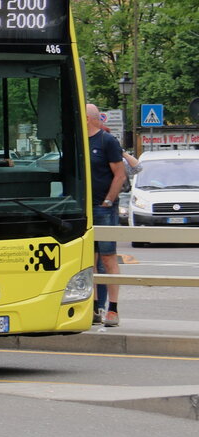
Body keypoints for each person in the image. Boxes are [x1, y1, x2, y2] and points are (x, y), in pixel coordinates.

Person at [87, 103, 126, 326]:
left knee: (108, 257)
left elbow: (119, 175)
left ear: (88, 119)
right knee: (87, 260)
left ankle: (113, 309)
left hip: (103, 208)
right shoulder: (80, 142)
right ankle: (93, 307)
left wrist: (108, 201)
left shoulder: (107, 141)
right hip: (85, 209)